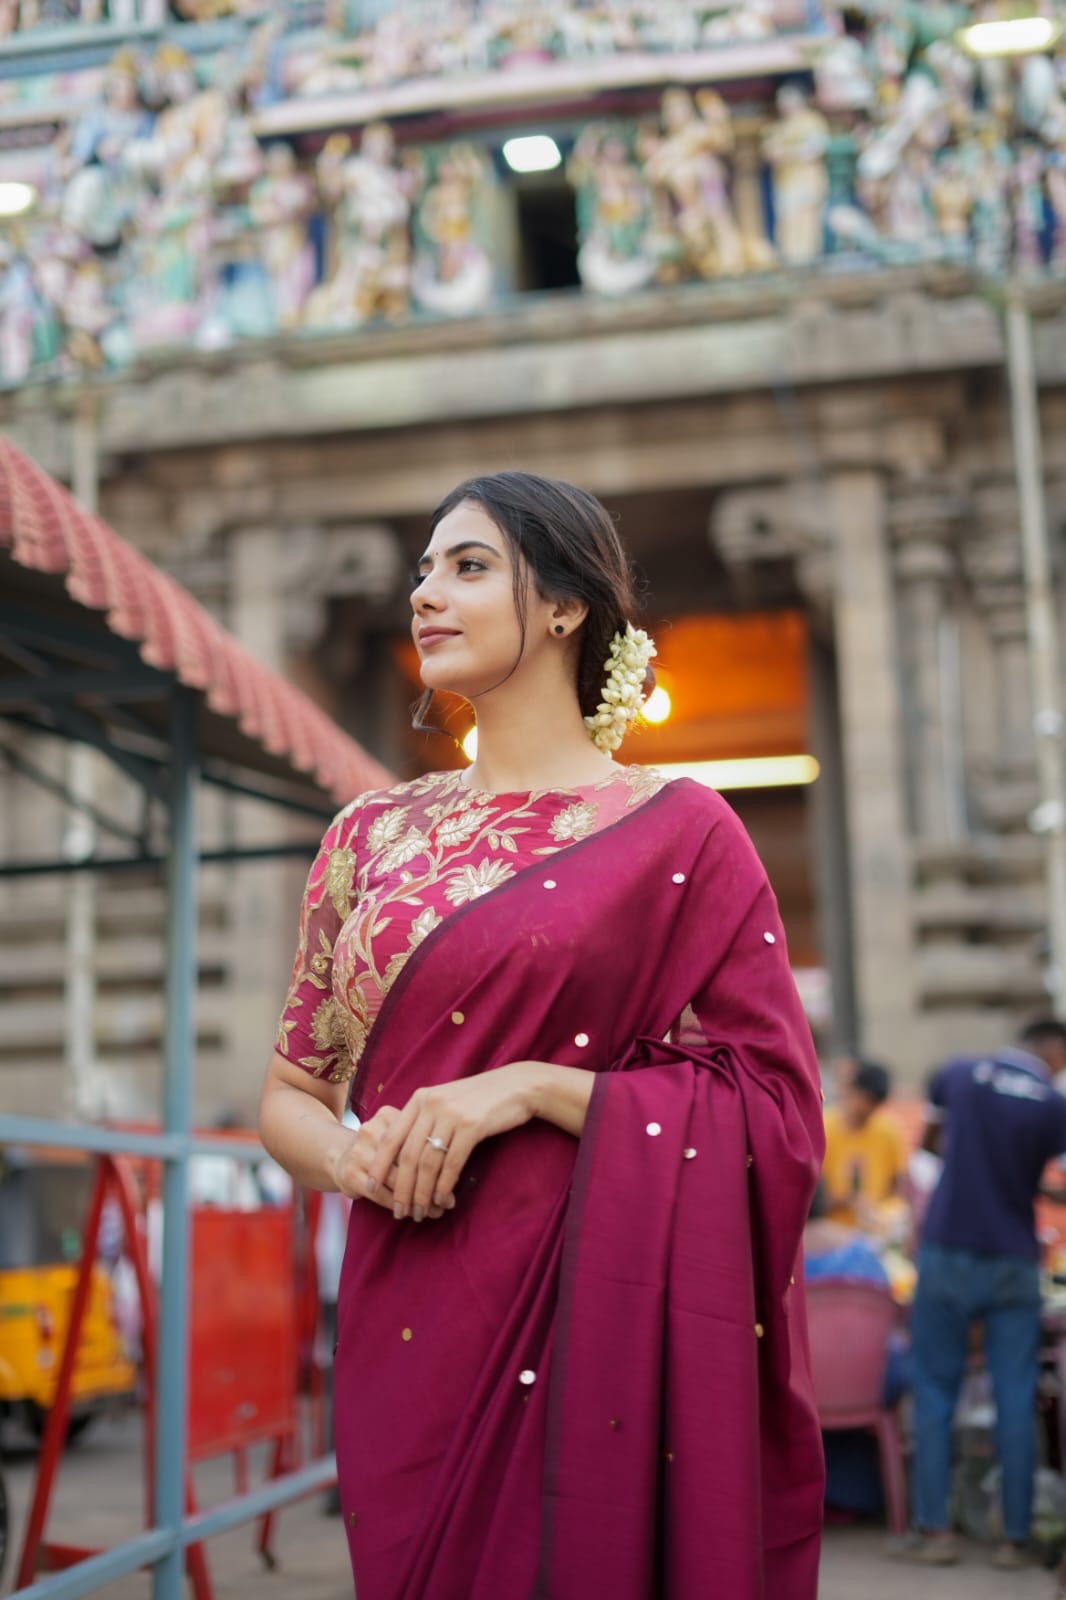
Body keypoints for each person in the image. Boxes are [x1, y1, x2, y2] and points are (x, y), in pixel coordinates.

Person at [258, 470, 826, 1599]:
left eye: (468, 567)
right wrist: (351, 1160)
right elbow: (291, 1092)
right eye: (424, 570)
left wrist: (528, 1085)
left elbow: (773, 1111)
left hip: (586, 1311)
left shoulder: (681, 832)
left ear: (565, 606)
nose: (426, 593)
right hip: (406, 1305)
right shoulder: (369, 835)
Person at [904, 1019, 1066, 1570]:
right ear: (1053, 1049)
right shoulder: (1052, 1104)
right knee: (1015, 1395)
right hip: (1014, 1257)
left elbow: (929, 1143)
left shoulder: (959, 1072)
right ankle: (1013, 1541)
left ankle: (934, 1533)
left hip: (947, 1249)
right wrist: (1024, 1187)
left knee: (934, 1392)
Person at [822, 1059, 908, 1228]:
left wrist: (887, 1211)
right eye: (866, 1100)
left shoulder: (888, 1131)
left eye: (875, 1105)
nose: (868, 1109)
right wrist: (847, 1201)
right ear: (853, 1090)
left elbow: (898, 1185)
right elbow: (811, 1198)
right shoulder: (824, 1128)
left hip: (875, 1229)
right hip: (831, 1229)